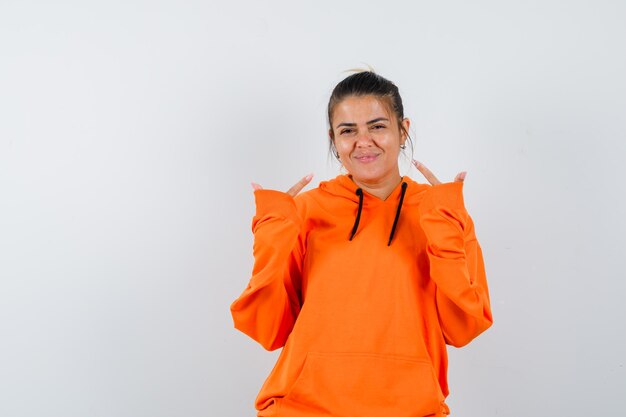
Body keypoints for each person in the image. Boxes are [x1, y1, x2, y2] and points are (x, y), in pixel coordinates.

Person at [230, 70, 493, 417]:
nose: (363, 141)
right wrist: (272, 235)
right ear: (333, 140)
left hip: (411, 408)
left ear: (403, 131)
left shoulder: (441, 212)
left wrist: (444, 225)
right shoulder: (305, 211)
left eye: (378, 126)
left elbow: (464, 326)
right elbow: (268, 329)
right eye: (347, 131)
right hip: (300, 407)